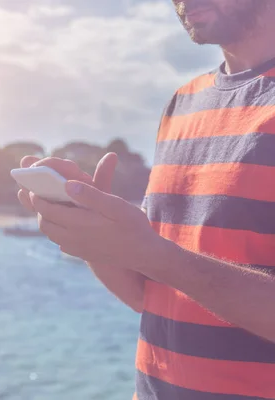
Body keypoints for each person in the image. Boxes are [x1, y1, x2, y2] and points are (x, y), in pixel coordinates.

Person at [17, 1, 275, 399]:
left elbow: (164, 263)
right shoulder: (184, 103)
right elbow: (151, 297)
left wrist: (152, 253)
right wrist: (96, 233)